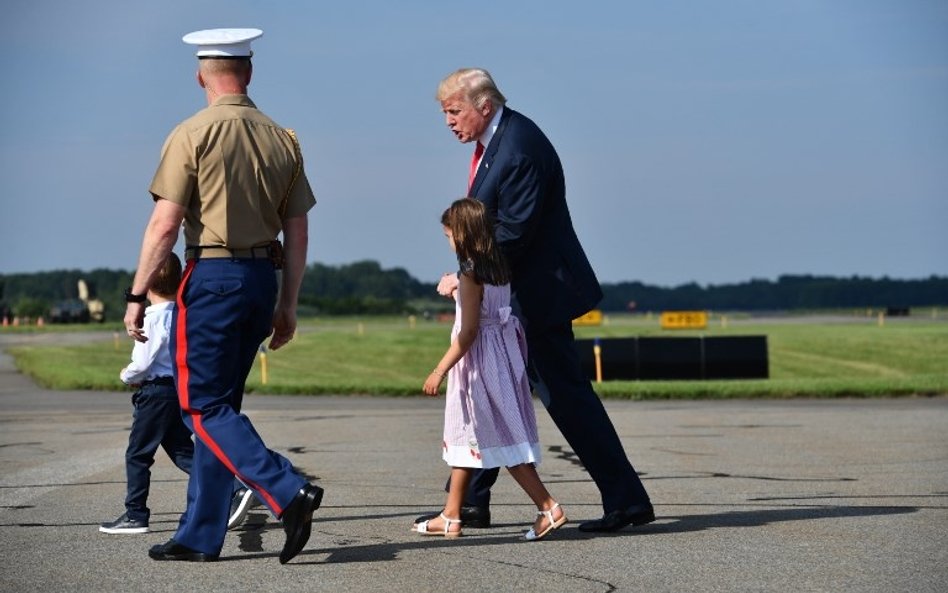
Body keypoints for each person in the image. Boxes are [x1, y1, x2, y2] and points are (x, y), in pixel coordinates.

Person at [421, 68, 654, 533]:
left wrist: (465, 274)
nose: (447, 121)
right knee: (487, 394)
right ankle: (468, 503)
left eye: (453, 111)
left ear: (483, 105)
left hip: (537, 298)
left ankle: (627, 501)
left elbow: (514, 233)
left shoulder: (520, 147)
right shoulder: (497, 142)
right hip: (514, 298)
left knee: (567, 398)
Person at [123, 28, 322, 563]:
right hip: (262, 280)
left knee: (202, 406)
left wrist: (137, 292)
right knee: (221, 406)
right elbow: (297, 231)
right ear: (249, 74)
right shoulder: (284, 138)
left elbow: (164, 225)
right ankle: (199, 534)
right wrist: (288, 303)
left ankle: (286, 489)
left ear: (200, 77)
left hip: (212, 277)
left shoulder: (191, 133)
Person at [413, 198, 567, 541]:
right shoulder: (496, 268)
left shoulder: (470, 274)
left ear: (462, 234)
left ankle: (548, 507)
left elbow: (468, 333)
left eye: (449, 235)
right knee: (467, 434)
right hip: (501, 356)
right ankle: (451, 514)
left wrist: (438, 370)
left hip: (478, 362)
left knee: (501, 437)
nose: (448, 241)